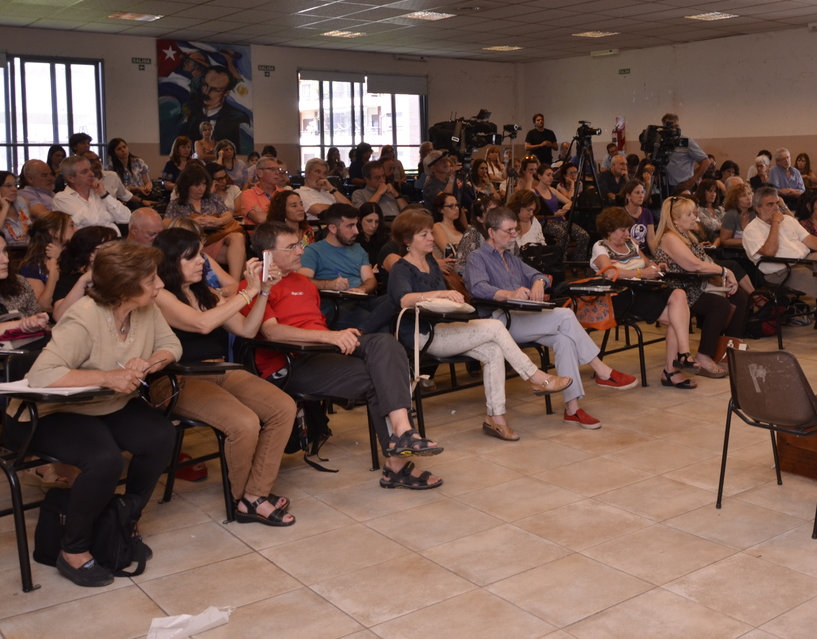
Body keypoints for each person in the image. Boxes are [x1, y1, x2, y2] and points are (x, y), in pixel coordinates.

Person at [15, 242, 178, 587]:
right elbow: (42, 375)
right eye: (151, 280)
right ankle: (72, 549)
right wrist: (107, 377)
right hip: (52, 410)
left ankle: (125, 521)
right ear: (124, 287)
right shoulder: (85, 316)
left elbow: (171, 345)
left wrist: (150, 362)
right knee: (104, 459)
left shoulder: (146, 308)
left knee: (160, 437)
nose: (161, 285)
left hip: (107, 404)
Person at [249, 221, 445, 489]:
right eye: (292, 246)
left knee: (385, 343)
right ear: (268, 254)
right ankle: (397, 464)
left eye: (300, 245)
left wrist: (334, 337)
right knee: (381, 378)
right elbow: (272, 332)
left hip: (323, 353)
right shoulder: (254, 286)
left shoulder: (304, 283)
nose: (301, 251)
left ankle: (403, 433)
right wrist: (330, 336)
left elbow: (316, 326)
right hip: (290, 362)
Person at [153, 229, 297, 527]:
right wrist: (248, 291)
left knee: (284, 407)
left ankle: (254, 495)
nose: (202, 261)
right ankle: (246, 498)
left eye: (201, 255)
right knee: (244, 423)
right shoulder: (160, 295)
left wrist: (264, 291)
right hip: (178, 378)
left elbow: (246, 329)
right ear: (170, 261)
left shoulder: (207, 292)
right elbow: (202, 324)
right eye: (192, 257)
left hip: (219, 370)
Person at [387, 209, 571, 441]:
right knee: (494, 326)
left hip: (444, 328)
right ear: (407, 240)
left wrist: (448, 299)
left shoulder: (431, 262)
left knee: (493, 350)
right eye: (424, 235)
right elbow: (404, 300)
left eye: (430, 233)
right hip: (423, 334)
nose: (431, 238)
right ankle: (535, 377)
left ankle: (496, 418)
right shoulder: (401, 268)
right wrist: (440, 293)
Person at [464, 206, 637, 429]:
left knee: (564, 340)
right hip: (498, 321)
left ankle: (572, 409)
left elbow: (538, 275)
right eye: (509, 231)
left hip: (521, 317)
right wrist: (509, 294)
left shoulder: (511, 258)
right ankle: (601, 370)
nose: (514, 235)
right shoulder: (477, 258)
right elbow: (478, 288)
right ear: (492, 232)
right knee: (565, 315)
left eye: (515, 230)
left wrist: (538, 282)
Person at [592, 207, 696, 389]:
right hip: (621, 296)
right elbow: (609, 273)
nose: (627, 233)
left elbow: (649, 264)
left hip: (644, 290)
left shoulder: (631, 244)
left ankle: (683, 354)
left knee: (679, 294)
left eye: (627, 229)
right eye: (622, 230)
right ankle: (672, 370)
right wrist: (641, 273)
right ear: (609, 230)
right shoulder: (600, 246)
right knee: (677, 318)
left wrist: (657, 267)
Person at [653, 197, 749, 378]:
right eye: (689, 214)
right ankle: (704, 355)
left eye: (693, 213)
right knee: (719, 305)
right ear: (675, 219)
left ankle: (729, 350)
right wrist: (725, 271)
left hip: (696, 285)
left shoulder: (687, 236)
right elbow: (694, 265)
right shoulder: (670, 238)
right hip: (679, 291)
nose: (694, 217)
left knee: (740, 297)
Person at [742, 185, 817, 299]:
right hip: (781, 271)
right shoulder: (751, 230)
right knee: (814, 278)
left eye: (777, 203)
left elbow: (808, 238)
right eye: (770, 204)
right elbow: (770, 252)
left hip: (805, 260)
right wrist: (775, 223)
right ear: (758, 208)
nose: (776, 208)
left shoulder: (788, 219)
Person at [165, 162, 247, 283]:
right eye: (197, 185)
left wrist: (217, 221)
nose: (202, 188)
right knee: (240, 256)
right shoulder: (177, 204)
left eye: (204, 184)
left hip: (215, 238)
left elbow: (228, 215)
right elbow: (165, 223)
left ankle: (233, 284)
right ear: (186, 186)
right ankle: (235, 285)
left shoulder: (213, 198)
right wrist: (192, 222)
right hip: (191, 245)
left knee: (238, 237)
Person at [299, 204, 377, 294]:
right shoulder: (313, 251)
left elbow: (370, 279)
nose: (356, 231)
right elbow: (302, 281)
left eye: (356, 225)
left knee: (389, 298)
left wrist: (362, 289)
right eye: (350, 226)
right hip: (333, 300)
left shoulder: (358, 249)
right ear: (333, 228)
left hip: (361, 298)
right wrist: (329, 285)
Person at [51, 225, 117, 321]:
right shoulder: (71, 280)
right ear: (91, 255)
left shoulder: (120, 277)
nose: (116, 252)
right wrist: (83, 281)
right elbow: (60, 317)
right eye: (108, 248)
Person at [53, 156, 131, 234]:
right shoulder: (61, 198)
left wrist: (104, 195)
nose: (92, 174)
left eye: (90, 169)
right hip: (88, 241)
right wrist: (110, 217)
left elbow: (126, 218)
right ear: (71, 178)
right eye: (84, 172)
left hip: (115, 239)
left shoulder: (100, 192)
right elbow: (92, 222)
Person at [533, 164, 589, 260]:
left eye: (552, 175)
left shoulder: (552, 190)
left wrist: (567, 206)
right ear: (540, 176)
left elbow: (569, 201)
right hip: (544, 222)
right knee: (563, 235)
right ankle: (559, 261)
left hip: (559, 220)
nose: (551, 178)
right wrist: (553, 215)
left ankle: (577, 261)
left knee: (584, 235)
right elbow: (532, 214)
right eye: (548, 175)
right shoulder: (533, 192)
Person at [20, 211, 72, 313]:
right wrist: (53, 276)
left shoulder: (74, 258)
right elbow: (43, 307)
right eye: (71, 226)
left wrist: (62, 258)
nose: (76, 230)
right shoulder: (31, 267)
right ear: (54, 232)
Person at [660, 113, 712, 194]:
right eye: (671, 127)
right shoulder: (660, 142)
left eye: (676, 126)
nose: (674, 129)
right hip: (666, 186)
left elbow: (706, 162)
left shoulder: (687, 142)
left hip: (683, 186)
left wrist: (692, 181)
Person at [238, 156, 286, 225]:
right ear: (259, 173)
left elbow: (293, 219)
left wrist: (264, 213)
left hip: (283, 231)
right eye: (272, 169)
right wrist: (282, 217)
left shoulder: (284, 193)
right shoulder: (248, 194)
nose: (277, 172)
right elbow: (260, 219)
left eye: (278, 169)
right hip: (259, 231)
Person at [619, 179, 655, 252]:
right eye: (637, 193)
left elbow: (651, 239)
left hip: (645, 253)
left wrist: (657, 256)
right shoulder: (620, 214)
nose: (641, 196)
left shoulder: (647, 213)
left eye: (642, 192)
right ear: (628, 196)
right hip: (628, 253)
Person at [0, 170, 32, 245]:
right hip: (6, 251)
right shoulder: (4, 208)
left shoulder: (23, 202)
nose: (14, 189)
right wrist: (5, 208)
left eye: (15, 185)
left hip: (28, 248)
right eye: (8, 186)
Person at [693, 179, 724, 244]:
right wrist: (724, 226)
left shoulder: (721, 209)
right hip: (706, 241)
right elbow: (708, 225)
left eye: (715, 191)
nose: (713, 194)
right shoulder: (698, 209)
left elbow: (730, 225)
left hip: (721, 240)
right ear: (702, 192)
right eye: (710, 191)